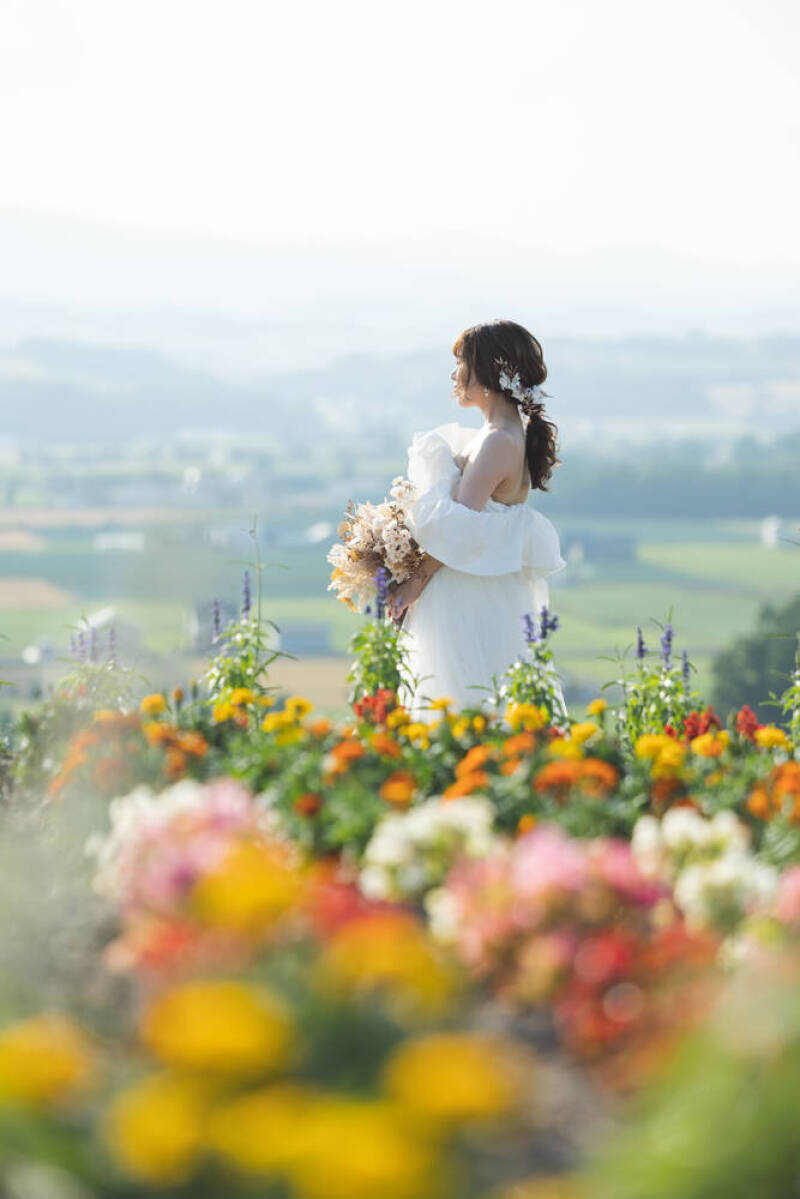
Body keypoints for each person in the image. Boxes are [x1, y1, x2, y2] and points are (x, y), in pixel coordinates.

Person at [386, 319, 566, 723]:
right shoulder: (495, 433)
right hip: (472, 583)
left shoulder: (499, 440)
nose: (453, 375)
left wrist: (414, 582)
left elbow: (459, 528)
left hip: (467, 592)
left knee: (464, 701)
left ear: (486, 371)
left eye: (461, 363)